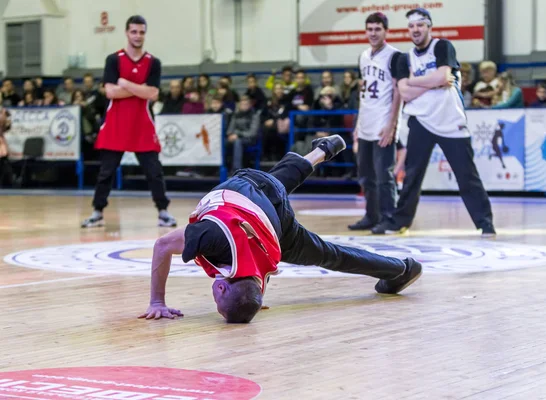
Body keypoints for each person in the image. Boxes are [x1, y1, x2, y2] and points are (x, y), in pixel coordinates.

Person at [138, 135, 422, 323]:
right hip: (262, 209)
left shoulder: (225, 247)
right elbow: (164, 246)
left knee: (333, 254)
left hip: (271, 223)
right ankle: (318, 153)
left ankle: (401, 269)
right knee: (274, 185)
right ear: (223, 286)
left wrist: (156, 301)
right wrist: (157, 301)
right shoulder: (215, 244)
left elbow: (162, 246)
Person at [374, 8, 495, 237]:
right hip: (421, 121)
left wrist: (415, 81)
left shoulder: (442, 46)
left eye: (420, 25)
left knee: (466, 175)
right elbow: (405, 93)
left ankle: (485, 222)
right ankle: (400, 222)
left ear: (429, 26)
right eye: (411, 26)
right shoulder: (403, 58)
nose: (415, 30)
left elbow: (438, 78)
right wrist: (434, 82)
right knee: (412, 176)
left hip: (451, 120)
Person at [81, 15, 176, 228]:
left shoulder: (153, 62)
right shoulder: (113, 60)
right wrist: (137, 88)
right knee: (106, 173)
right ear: (127, 33)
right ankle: (97, 212)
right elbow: (110, 92)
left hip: (142, 124)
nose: (138, 36)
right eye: (134, 31)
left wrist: (125, 83)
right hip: (116, 124)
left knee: (154, 172)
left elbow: (152, 93)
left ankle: (163, 211)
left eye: (141, 32)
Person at [348, 12, 402, 234]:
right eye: (369, 29)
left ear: (386, 31)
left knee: (384, 176)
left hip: (383, 125)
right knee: (366, 176)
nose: (373, 33)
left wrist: (392, 124)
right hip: (366, 124)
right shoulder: (363, 56)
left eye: (377, 29)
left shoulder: (395, 56)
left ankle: (389, 219)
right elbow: (363, 94)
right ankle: (371, 216)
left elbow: (398, 91)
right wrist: (358, 126)